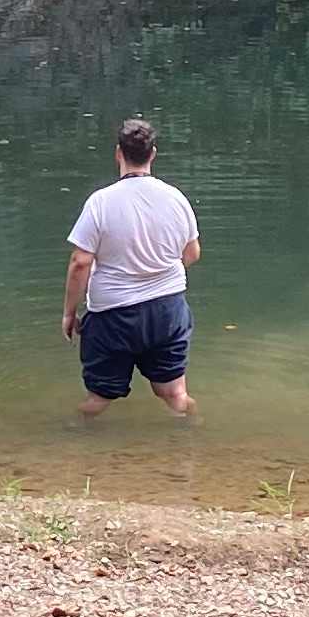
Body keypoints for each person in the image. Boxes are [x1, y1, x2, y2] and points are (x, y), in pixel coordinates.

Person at [63, 116, 200, 415]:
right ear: (153, 154)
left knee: (99, 399)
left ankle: (74, 436)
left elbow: (80, 262)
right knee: (175, 394)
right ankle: (194, 430)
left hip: (112, 317)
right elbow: (192, 253)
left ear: (118, 153)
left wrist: (69, 314)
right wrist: (157, 276)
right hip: (167, 311)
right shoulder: (176, 198)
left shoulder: (101, 202)